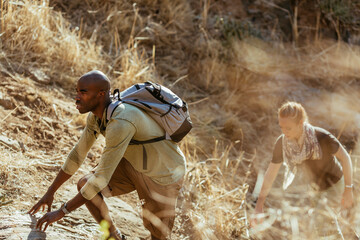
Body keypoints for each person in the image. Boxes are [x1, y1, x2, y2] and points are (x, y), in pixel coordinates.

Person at [28, 70, 186, 240]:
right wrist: (50, 192)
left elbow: (101, 178)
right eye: (77, 91)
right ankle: (114, 237)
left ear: (101, 94)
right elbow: (77, 155)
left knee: (159, 235)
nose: (77, 97)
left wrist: (62, 211)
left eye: (83, 92)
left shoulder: (121, 121)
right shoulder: (96, 117)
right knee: (86, 184)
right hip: (133, 164)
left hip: (163, 174)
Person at [252, 101, 354, 236]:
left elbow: (345, 158)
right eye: (281, 127)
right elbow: (270, 174)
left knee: (324, 223)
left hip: (334, 184)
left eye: (288, 128)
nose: (284, 131)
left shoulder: (321, 137)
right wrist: (259, 205)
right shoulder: (282, 144)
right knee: (321, 226)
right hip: (314, 189)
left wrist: (348, 189)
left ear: (300, 123)